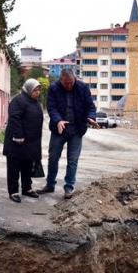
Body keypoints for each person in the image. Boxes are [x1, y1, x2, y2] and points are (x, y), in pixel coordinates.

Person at [36, 68, 100, 199]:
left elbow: (90, 106)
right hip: (59, 130)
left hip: (77, 129)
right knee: (53, 158)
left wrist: (91, 117)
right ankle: (50, 184)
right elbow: (51, 107)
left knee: (73, 160)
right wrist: (58, 120)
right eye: (66, 83)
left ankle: (69, 187)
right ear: (61, 80)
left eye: (71, 82)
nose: (69, 85)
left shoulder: (82, 87)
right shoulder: (53, 88)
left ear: (74, 79)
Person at [2, 79, 43, 203]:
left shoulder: (35, 102)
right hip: (17, 141)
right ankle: (13, 191)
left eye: (38, 90)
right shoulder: (19, 100)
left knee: (27, 166)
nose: (38, 92)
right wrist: (18, 136)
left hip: (31, 143)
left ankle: (27, 188)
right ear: (29, 89)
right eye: (35, 90)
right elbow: (14, 118)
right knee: (14, 167)